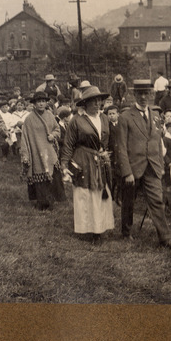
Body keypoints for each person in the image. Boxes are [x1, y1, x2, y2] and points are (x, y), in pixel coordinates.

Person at [116, 79, 171, 248]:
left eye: (147, 93)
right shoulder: (125, 117)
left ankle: (165, 238)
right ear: (134, 95)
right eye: (140, 94)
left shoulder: (154, 115)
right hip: (133, 167)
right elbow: (121, 147)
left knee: (157, 201)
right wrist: (127, 172)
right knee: (128, 201)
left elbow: (157, 143)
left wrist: (159, 165)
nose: (144, 97)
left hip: (152, 167)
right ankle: (126, 231)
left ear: (151, 95)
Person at [60, 86, 115, 243]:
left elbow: (107, 140)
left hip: (100, 160)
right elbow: (68, 144)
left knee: (100, 193)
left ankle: (100, 227)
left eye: (99, 101)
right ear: (85, 104)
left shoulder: (104, 118)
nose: (97, 104)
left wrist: (106, 154)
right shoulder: (77, 121)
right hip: (83, 161)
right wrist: (64, 165)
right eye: (93, 102)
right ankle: (88, 229)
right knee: (86, 195)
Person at [19, 91, 65, 210]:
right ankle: (42, 202)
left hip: (49, 150)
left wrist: (53, 135)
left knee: (52, 175)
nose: (41, 104)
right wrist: (25, 154)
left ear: (46, 103)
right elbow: (24, 136)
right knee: (39, 175)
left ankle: (52, 201)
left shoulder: (50, 115)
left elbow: (57, 129)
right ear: (34, 104)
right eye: (38, 101)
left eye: (43, 101)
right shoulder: (29, 119)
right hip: (36, 150)